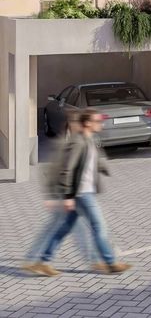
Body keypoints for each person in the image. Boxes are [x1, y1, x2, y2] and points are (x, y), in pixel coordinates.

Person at [22, 109, 131, 277]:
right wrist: (67, 196)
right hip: (81, 193)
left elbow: (91, 161)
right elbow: (67, 169)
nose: (100, 124)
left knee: (64, 228)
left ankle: (43, 262)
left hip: (84, 192)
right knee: (99, 226)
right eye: (97, 121)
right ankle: (111, 263)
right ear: (87, 123)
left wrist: (103, 167)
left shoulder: (90, 140)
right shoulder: (77, 142)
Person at [24, 112, 100, 271]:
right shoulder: (62, 144)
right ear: (70, 125)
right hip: (63, 195)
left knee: (68, 228)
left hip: (74, 194)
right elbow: (50, 171)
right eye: (75, 122)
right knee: (63, 229)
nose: (79, 125)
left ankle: (39, 260)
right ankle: (35, 260)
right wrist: (52, 196)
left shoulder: (83, 142)